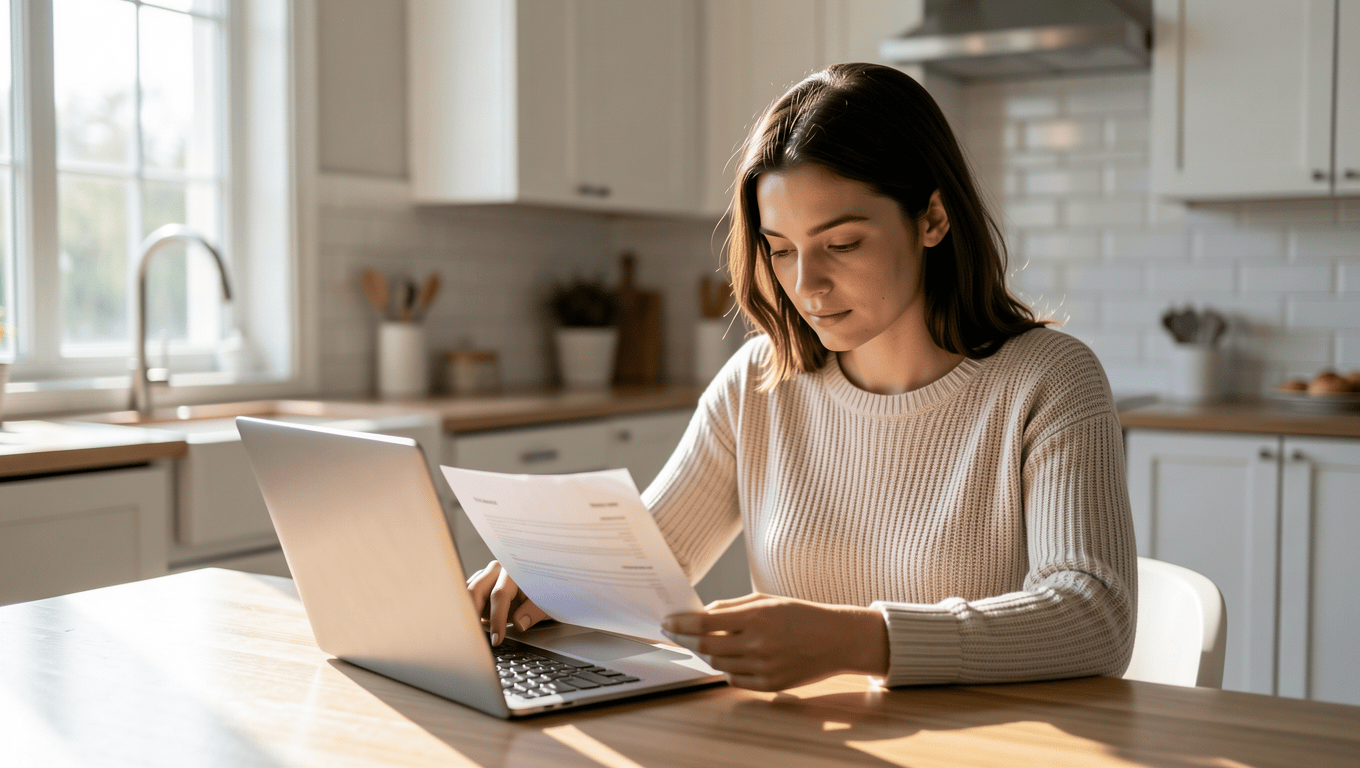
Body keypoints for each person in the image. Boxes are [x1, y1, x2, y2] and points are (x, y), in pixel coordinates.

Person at [467, 62, 1136, 692]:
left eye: (842, 244)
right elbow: (641, 574)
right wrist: (550, 584)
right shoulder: (759, 383)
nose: (805, 285)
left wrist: (857, 642)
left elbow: (1093, 617)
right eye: (780, 250)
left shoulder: (1047, 379)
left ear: (932, 218)